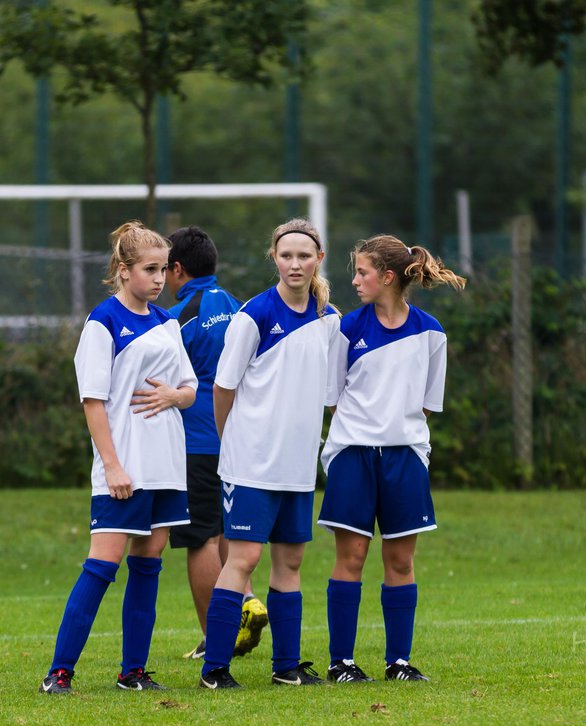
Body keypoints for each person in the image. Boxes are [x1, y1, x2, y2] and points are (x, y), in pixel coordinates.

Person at [41, 221, 197, 694]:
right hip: (124, 465)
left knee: (148, 565)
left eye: (163, 269)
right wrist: (111, 465)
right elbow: (93, 401)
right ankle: (59, 672)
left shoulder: (169, 323)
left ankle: (133, 672)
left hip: (167, 463)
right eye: (149, 269)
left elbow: (191, 390)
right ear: (123, 270)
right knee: (102, 565)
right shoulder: (103, 322)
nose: (158, 278)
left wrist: (175, 396)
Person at [198, 218, 343, 689]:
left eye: (304, 256)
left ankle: (286, 667)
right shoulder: (252, 316)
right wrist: (232, 443)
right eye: (286, 256)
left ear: (318, 259)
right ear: (274, 259)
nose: (295, 264)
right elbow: (224, 387)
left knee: (291, 564)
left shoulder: (329, 319)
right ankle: (215, 668)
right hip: (251, 464)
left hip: (298, 466)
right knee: (242, 561)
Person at [318, 236, 466, 683]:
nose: (354, 279)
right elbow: (332, 398)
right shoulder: (346, 329)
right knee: (353, 555)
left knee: (400, 560)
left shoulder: (431, 333)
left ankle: (398, 662)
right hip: (352, 454)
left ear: (386, 277)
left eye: (362, 272)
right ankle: (341, 662)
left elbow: (424, 405)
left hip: (405, 458)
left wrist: (395, 433)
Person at [163, 226, 268, 662]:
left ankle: (216, 633)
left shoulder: (178, 318)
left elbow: (168, 381)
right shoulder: (238, 307)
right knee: (227, 529)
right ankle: (245, 598)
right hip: (238, 437)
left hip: (196, 440)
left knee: (199, 538)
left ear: (178, 269)